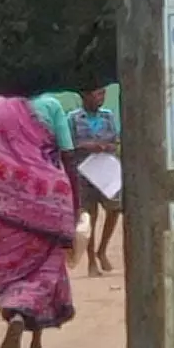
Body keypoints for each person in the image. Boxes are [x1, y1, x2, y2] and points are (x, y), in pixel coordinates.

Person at [0, 89, 82, 348]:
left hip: (6, 205)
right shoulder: (51, 106)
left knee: (12, 268)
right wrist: (75, 203)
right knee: (47, 270)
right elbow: (67, 155)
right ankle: (35, 344)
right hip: (49, 200)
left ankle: (17, 315)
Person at [65, 83, 125, 271]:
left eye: (103, 93)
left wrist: (108, 147)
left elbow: (114, 140)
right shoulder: (73, 118)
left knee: (115, 209)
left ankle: (102, 249)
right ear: (85, 96)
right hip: (84, 172)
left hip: (106, 171)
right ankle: (91, 259)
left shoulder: (108, 116)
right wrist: (89, 146)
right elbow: (69, 144)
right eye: (97, 94)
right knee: (89, 216)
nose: (101, 98)